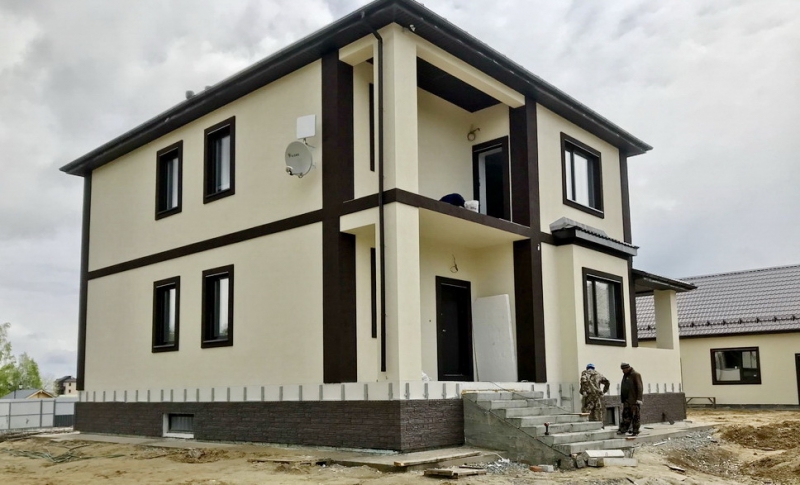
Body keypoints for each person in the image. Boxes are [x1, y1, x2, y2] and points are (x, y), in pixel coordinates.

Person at [617, 362, 643, 436]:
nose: (622, 371)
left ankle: (635, 431)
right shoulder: (625, 375)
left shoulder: (635, 375)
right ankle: (623, 429)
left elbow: (639, 387)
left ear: (628, 368)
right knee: (626, 415)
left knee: (635, 416)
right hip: (626, 400)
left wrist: (639, 399)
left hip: (634, 401)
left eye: (623, 369)